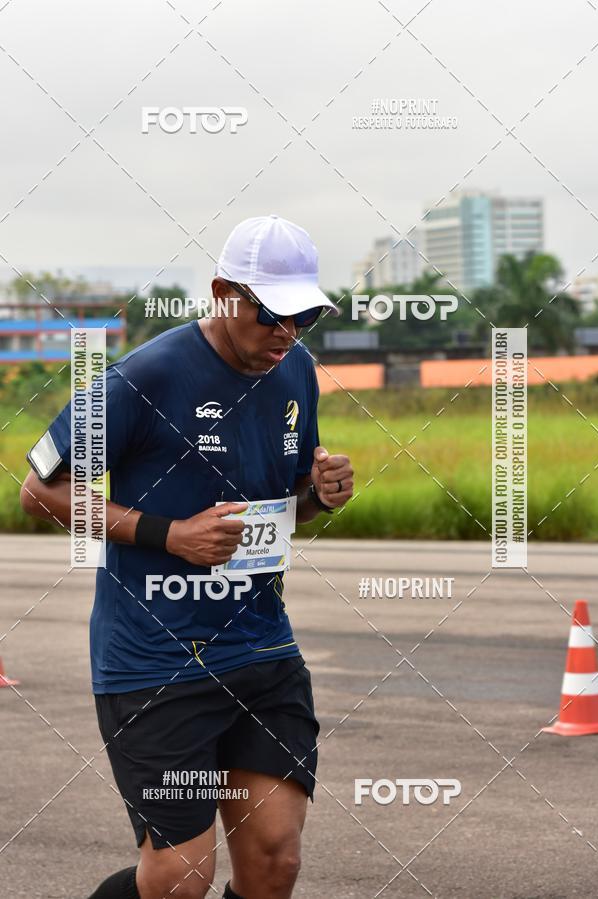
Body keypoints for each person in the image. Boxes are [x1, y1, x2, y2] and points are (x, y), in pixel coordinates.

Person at [20, 214, 354, 899]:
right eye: (272, 314)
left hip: (262, 650)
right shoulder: (145, 377)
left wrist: (321, 496)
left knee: (274, 862)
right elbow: (40, 492)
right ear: (223, 293)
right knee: (180, 878)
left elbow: (287, 507)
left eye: (306, 317)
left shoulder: (296, 371)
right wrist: (168, 535)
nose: (288, 333)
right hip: (157, 661)